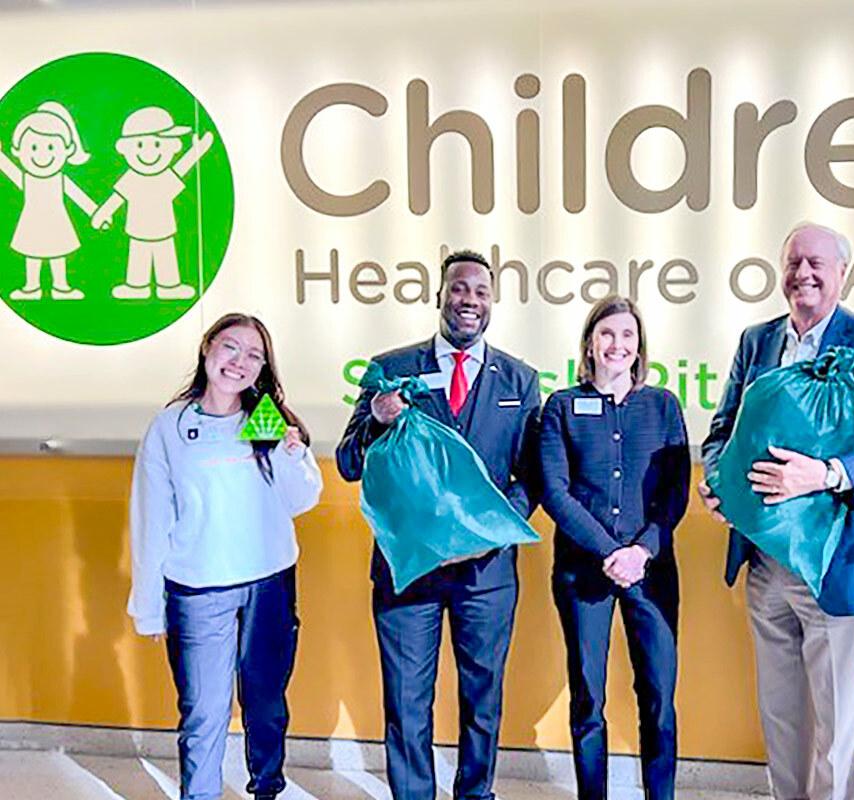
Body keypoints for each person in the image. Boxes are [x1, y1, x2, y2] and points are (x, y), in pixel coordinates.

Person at [698, 222, 854, 800]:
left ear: (842, 273)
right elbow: (722, 429)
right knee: (780, 710)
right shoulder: (757, 341)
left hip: (842, 558)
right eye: (794, 261)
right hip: (766, 561)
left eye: (817, 263)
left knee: (841, 716)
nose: (804, 273)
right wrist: (720, 484)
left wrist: (826, 474)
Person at [336, 249, 542, 800]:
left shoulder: (520, 379)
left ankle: (475, 793)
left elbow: (533, 476)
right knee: (406, 700)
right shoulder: (393, 368)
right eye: (459, 288)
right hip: (409, 571)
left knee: (483, 698)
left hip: (488, 574)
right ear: (439, 296)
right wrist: (376, 421)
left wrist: (488, 530)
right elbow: (349, 463)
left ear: (491, 302)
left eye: (480, 291)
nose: (468, 300)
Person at [127, 312, 323, 800]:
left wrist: (291, 452)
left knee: (265, 705)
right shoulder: (170, 427)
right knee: (203, 711)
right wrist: (149, 605)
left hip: (269, 584)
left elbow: (300, 500)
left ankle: (266, 790)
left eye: (254, 355)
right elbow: (151, 519)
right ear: (207, 347)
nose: (240, 362)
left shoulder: (265, 417)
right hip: (197, 590)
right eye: (231, 348)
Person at [540, 296, 690, 799]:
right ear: (589, 343)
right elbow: (555, 492)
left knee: (658, 698)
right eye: (607, 334)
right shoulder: (562, 406)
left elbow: (675, 492)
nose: (617, 345)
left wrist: (641, 551)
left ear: (640, 345)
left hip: (652, 573)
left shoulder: (663, 405)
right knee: (587, 699)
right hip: (584, 576)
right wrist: (611, 552)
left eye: (627, 335)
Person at [92, 106, 214, 300]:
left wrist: (197, 151)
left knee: (165, 255)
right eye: (141, 145)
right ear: (125, 149)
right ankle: (136, 286)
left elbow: (182, 167)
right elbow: (117, 198)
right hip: (137, 229)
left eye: (157, 144)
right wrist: (102, 214)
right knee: (138, 257)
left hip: (164, 229)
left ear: (172, 146)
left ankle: (170, 286)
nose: (149, 152)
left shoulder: (165, 176)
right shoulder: (131, 178)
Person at [0, 101, 97, 300]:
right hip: (31, 222)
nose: (42, 155)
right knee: (32, 254)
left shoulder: (60, 179)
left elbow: (78, 196)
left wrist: (96, 212)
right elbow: (9, 171)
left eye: (51, 147)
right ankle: (31, 286)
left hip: (57, 222)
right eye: (34, 147)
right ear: (18, 151)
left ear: (67, 150)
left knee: (58, 253)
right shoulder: (27, 178)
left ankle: (61, 286)